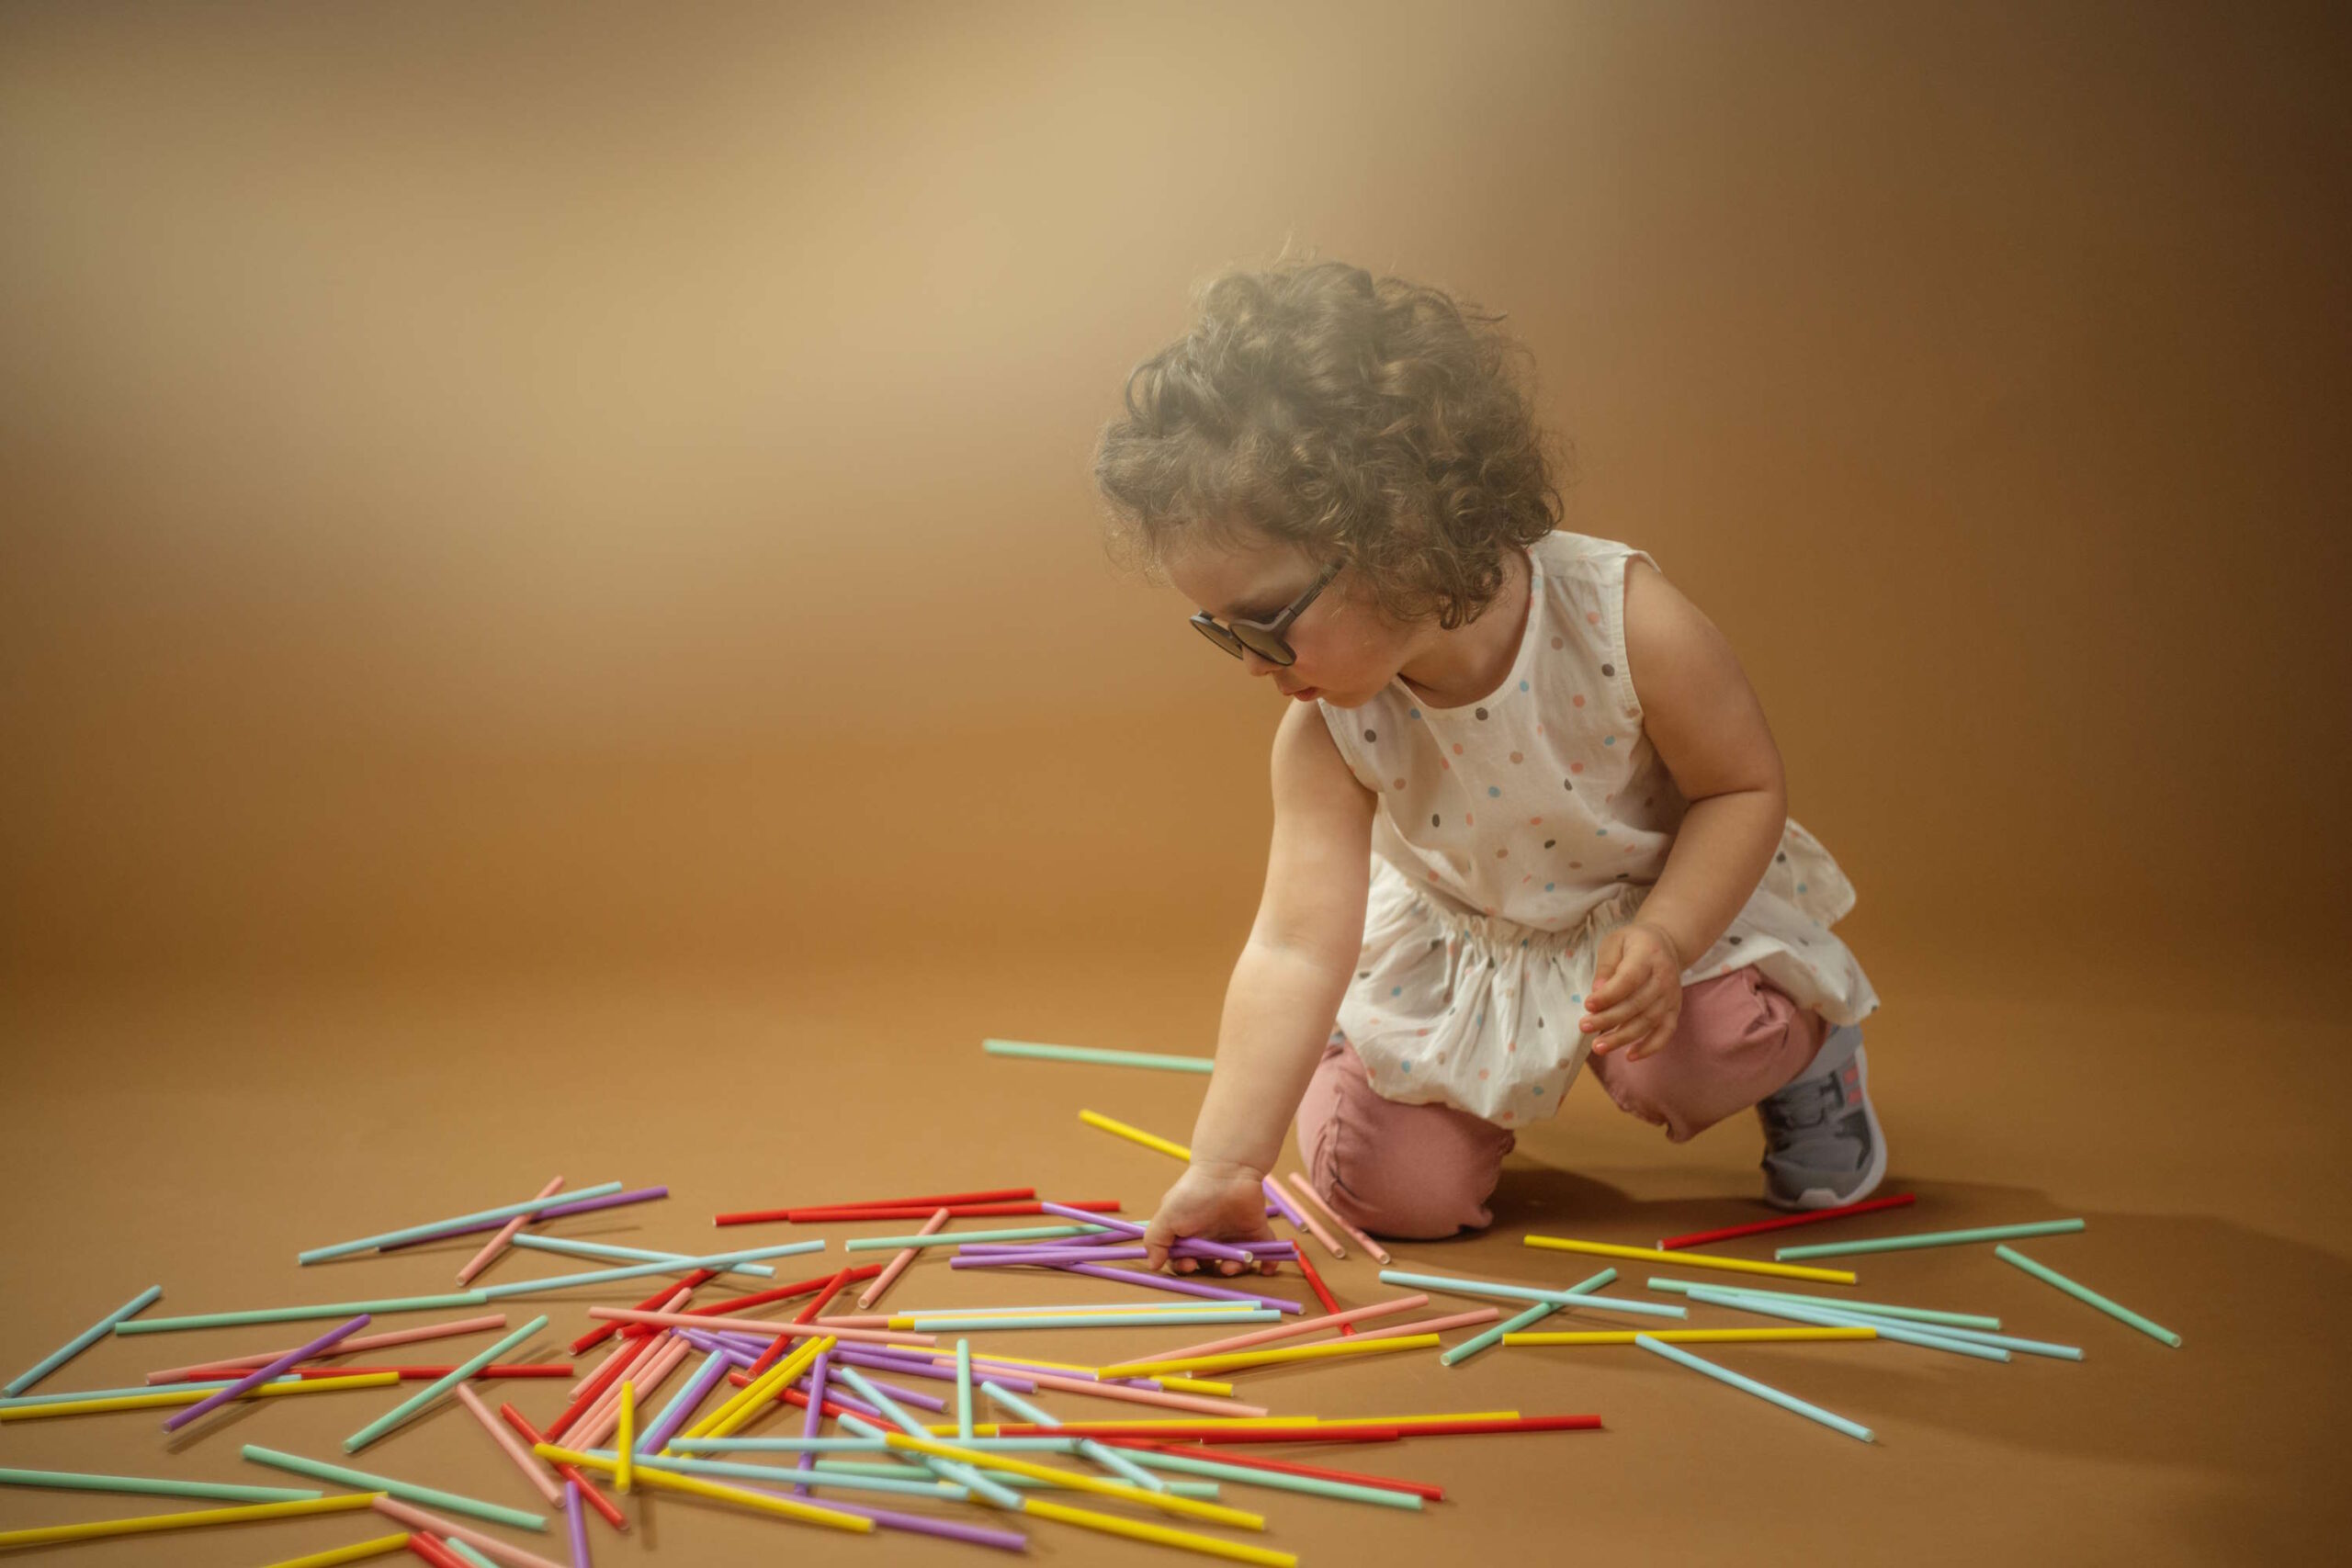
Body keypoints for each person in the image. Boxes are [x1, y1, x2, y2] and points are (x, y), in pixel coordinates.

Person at [1091, 259, 1884, 1276]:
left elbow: (1742, 788)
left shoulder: (1622, 620)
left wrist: (1671, 935)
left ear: (1399, 531)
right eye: (1220, 629)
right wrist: (1227, 1163)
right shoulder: (1328, 724)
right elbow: (1293, 947)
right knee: (1384, 1191)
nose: (1251, 662)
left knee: (1695, 1050)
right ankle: (1398, 1068)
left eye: (1267, 618)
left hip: (1652, 920)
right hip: (1472, 952)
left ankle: (1813, 1059)